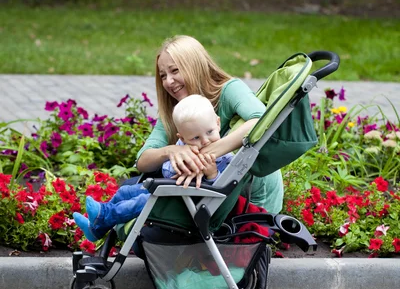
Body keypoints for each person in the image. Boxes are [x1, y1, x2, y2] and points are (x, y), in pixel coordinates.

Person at [136, 35, 284, 213]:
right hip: (211, 199)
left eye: (174, 71)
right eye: (163, 75)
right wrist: (171, 151)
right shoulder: (178, 112)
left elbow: (262, 120)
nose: (168, 81)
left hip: (254, 200)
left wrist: (203, 157)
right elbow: (143, 161)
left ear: (194, 66)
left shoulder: (229, 90)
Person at [73, 95, 233, 241]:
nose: (205, 141)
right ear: (182, 138)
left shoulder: (225, 156)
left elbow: (223, 190)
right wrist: (180, 166)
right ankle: (97, 227)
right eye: (196, 138)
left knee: (140, 201)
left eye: (210, 132)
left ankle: (103, 215)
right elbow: (166, 171)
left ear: (217, 123)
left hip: (186, 202)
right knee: (125, 191)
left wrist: (212, 173)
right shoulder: (183, 147)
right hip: (168, 190)